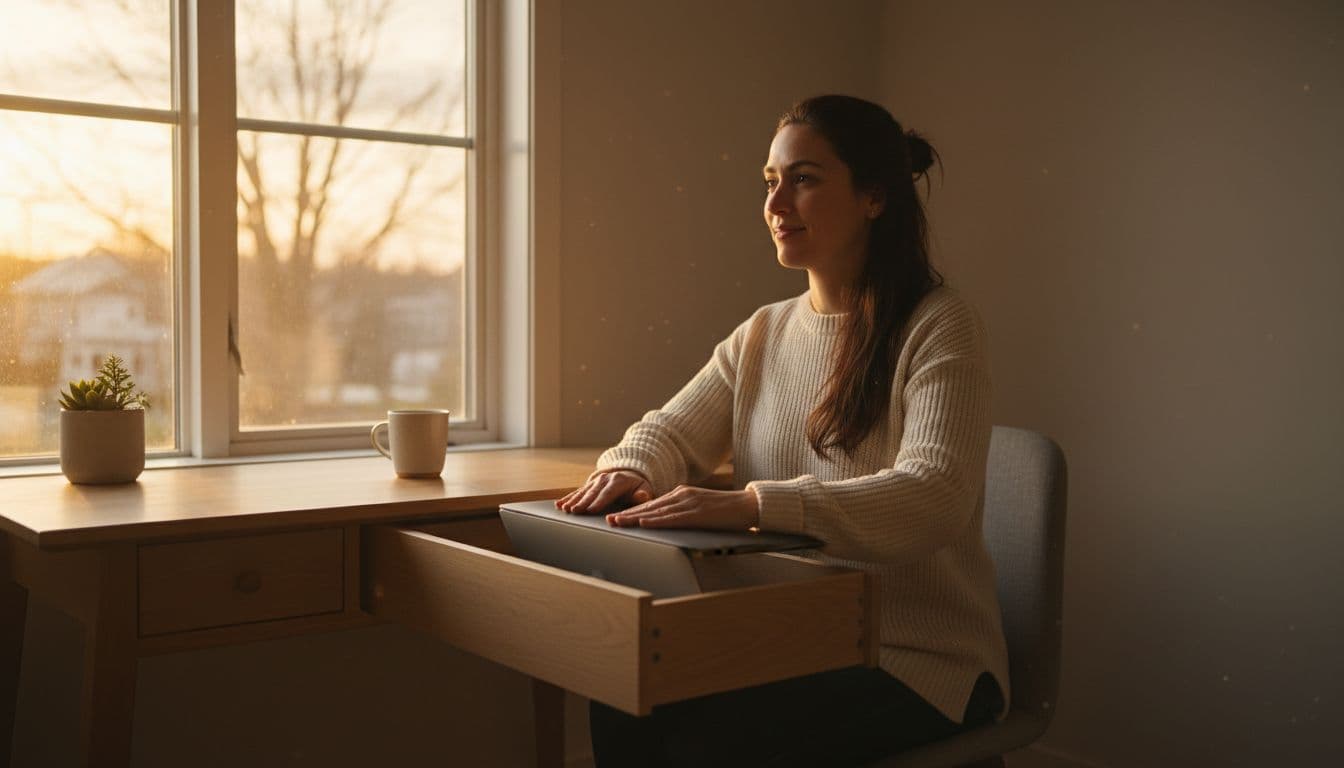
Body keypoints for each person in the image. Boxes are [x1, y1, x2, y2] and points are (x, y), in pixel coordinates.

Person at [557, 94, 1009, 767]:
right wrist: (632, 468)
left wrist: (754, 506)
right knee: (627, 691)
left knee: (708, 744)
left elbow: (934, 497)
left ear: (873, 198)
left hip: (917, 661)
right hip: (792, 643)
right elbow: (670, 432)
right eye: (771, 182)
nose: (775, 204)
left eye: (804, 179)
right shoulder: (765, 331)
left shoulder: (940, 323)